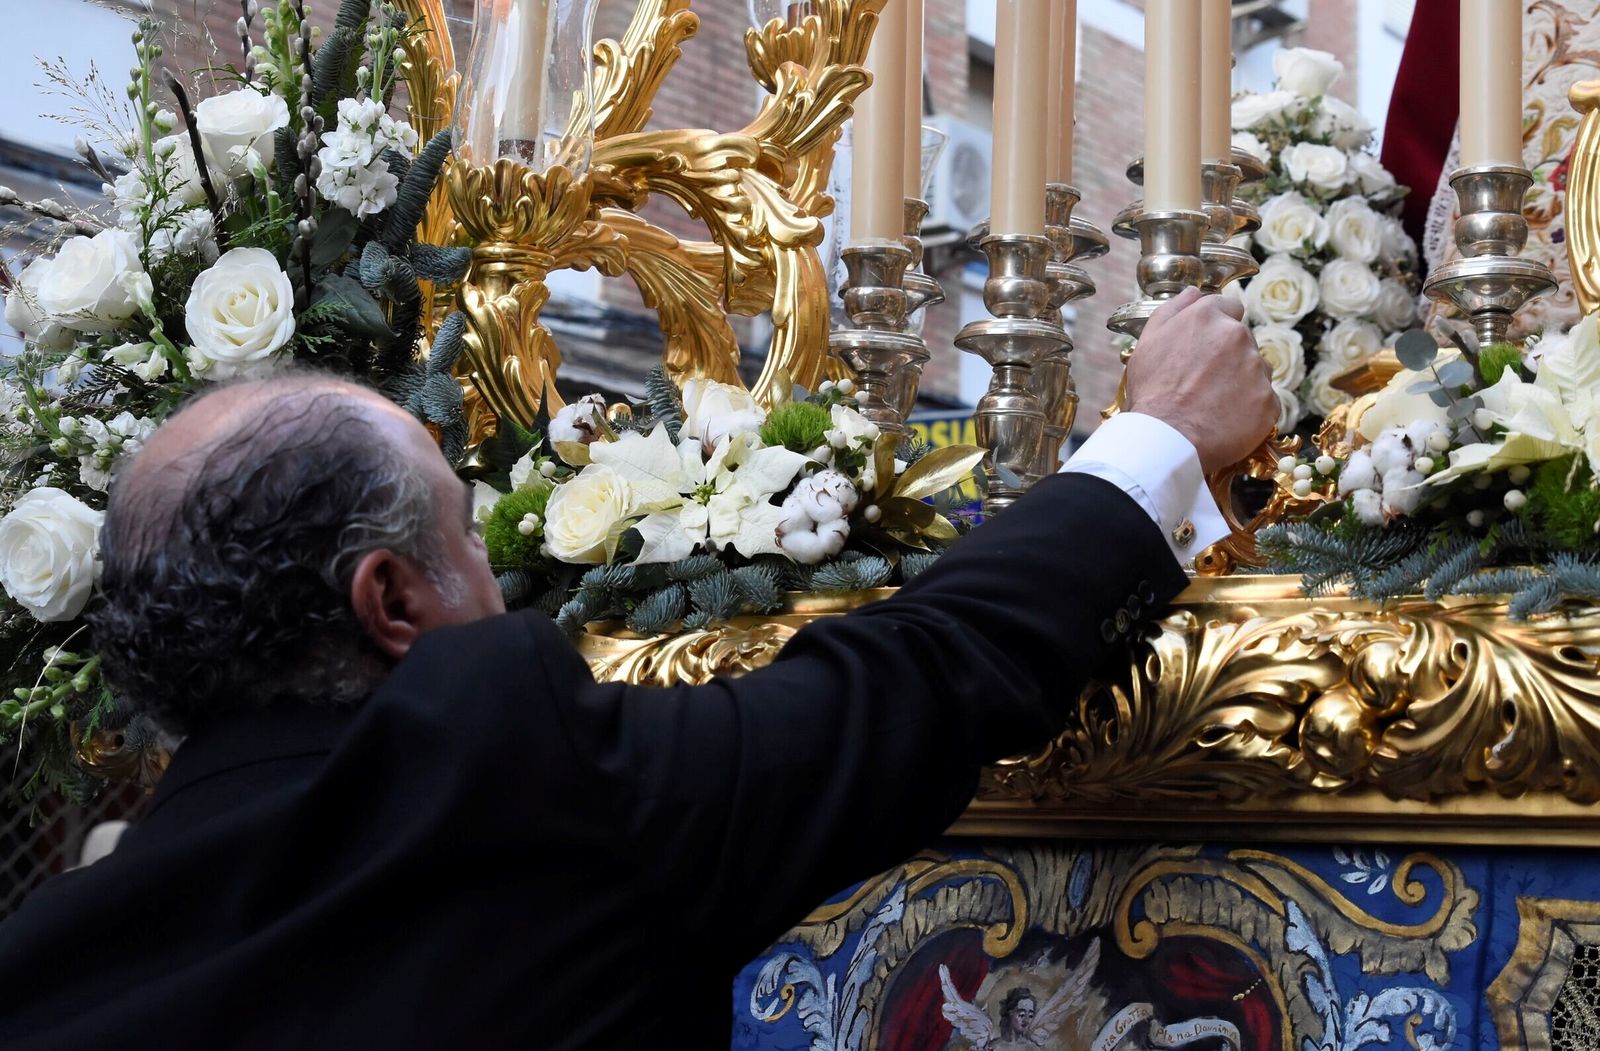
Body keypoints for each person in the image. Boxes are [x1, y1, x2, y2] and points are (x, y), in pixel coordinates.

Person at [0, 288, 1274, 1049]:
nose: (506, 589)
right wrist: (1154, 439)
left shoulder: (52, 946)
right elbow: (914, 677)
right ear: (392, 602)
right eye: (461, 531)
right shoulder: (499, 768)